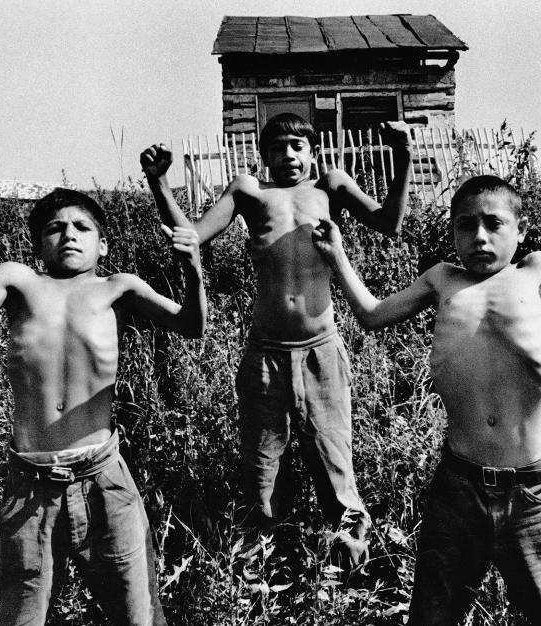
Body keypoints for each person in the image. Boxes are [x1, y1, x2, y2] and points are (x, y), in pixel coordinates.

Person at [311, 158, 541, 624]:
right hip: (457, 490)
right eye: (466, 226)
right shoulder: (442, 279)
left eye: (494, 224)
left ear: (520, 231)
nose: (480, 237)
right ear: (452, 234)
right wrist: (337, 255)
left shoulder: (539, 272)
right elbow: (372, 314)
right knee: (431, 617)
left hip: (530, 493)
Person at [0, 188, 206, 625]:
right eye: (54, 229)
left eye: (82, 227)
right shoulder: (17, 280)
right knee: (22, 616)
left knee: (139, 615)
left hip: (103, 481)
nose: (69, 235)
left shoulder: (118, 287)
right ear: (39, 244)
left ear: (104, 243)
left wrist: (193, 272)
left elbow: (190, 325)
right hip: (30, 487)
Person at [140, 113, 414, 564]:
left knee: (334, 459)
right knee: (262, 464)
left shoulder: (331, 186)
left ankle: (349, 563)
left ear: (313, 152)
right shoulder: (249, 191)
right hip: (266, 354)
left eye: (297, 146)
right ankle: (258, 570)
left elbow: (390, 223)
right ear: (263, 155)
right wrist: (160, 183)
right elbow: (190, 237)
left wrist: (402, 157)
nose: (288, 155)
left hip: (321, 350)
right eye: (277, 147)